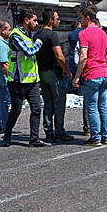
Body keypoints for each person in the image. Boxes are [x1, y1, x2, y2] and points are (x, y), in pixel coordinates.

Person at [3, 8, 49, 147]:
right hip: (18, 81)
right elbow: (29, 52)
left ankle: (34, 139)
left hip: (32, 81)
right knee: (16, 110)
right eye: (34, 20)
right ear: (26, 20)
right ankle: (7, 135)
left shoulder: (28, 35)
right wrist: (39, 43)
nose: (36, 23)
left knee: (36, 109)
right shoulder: (16, 35)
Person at [72, 5, 107, 146]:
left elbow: (83, 57)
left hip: (92, 74)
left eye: (81, 18)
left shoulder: (83, 34)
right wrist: (106, 71)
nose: (80, 21)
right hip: (104, 74)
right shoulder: (103, 34)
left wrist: (76, 76)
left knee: (92, 107)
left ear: (87, 18)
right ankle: (106, 136)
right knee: (103, 107)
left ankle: (95, 137)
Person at [35, 8, 74, 143]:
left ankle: (48, 131)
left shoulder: (38, 34)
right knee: (59, 103)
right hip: (54, 73)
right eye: (57, 19)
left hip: (42, 72)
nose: (59, 21)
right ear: (50, 20)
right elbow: (60, 57)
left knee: (48, 103)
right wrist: (68, 72)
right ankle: (59, 131)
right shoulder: (52, 36)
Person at [68, 19, 90, 136]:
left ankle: (88, 129)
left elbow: (80, 58)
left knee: (87, 102)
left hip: (80, 66)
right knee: (101, 105)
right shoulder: (102, 36)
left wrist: (77, 75)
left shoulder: (73, 35)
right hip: (100, 71)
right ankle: (103, 132)